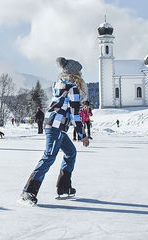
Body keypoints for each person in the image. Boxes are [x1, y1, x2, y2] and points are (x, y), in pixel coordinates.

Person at [20, 57, 90, 206]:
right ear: (75, 74)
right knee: (49, 156)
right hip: (56, 126)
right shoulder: (72, 88)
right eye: (80, 72)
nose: (81, 75)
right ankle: (28, 191)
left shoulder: (58, 84)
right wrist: (83, 135)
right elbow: (75, 114)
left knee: (71, 152)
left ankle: (64, 187)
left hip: (55, 125)